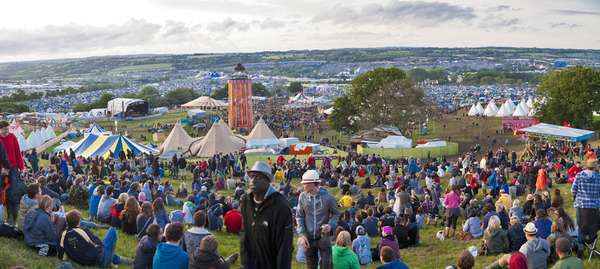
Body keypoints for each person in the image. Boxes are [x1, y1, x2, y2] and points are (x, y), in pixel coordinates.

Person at [240, 161, 293, 269]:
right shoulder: (246, 200)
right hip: (251, 263)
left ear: (267, 180)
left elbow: (284, 247)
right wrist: (245, 261)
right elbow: (245, 234)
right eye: (251, 176)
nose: (253, 180)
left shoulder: (280, 206)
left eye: (258, 177)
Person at [297, 169, 340, 269]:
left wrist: (330, 225)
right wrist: (302, 235)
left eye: (305, 183)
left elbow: (336, 213)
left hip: (323, 237)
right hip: (308, 238)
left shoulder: (328, 197)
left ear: (312, 183)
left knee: (326, 265)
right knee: (311, 265)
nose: (303, 185)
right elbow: (299, 216)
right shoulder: (302, 197)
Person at [59, 210, 123, 267]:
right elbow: (97, 243)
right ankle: (111, 261)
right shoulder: (82, 230)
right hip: (98, 260)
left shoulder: (64, 233)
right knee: (113, 230)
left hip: (81, 260)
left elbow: (61, 249)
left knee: (107, 252)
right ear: (79, 222)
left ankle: (118, 259)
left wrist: (64, 258)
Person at [0, 120, 25, 226]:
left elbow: (17, 152)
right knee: (3, 194)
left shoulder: (12, 137)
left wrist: (21, 167)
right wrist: (2, 168)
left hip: (13, 168)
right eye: (4, 129)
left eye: (7, 129)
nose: (7, 131)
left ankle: (13, 219)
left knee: (13, 194)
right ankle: (5, 217)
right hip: (2, 171)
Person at [571, 158, 600, 245]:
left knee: (581, 227)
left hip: (581, 205)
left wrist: (574, 197)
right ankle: (592, 247)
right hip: (594, 207)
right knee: (593, 227)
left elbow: (573, 190)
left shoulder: (579, 175)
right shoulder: (598, 177)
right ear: (595, 166)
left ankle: (581, 248)